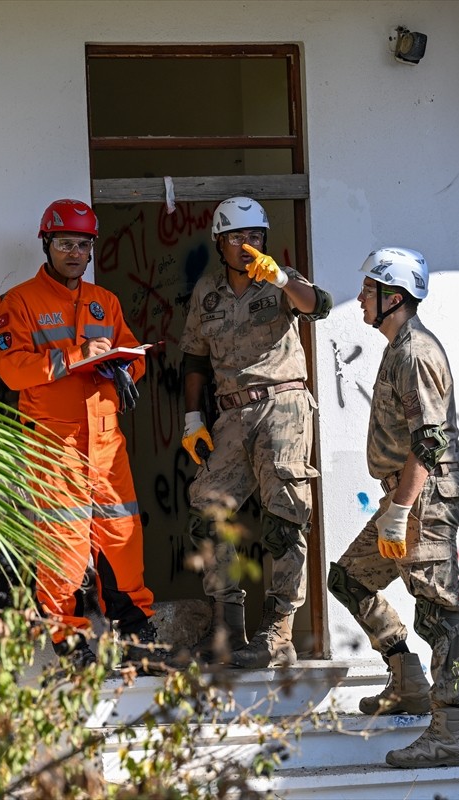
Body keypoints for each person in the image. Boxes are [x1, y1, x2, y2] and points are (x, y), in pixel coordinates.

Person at [0, 198, 164, 672]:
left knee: (123, 536)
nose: (75, 252)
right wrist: (75, 356)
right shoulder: (20, 301)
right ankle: (71, 644)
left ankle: (135, 634)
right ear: (47, 244)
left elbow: (134, 353)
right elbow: (12, 369)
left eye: (83, 244)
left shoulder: (103, 301)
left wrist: (127, 364)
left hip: (106, 442)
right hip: (55, 444)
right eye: (66, 243)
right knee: (63, 543)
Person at [326, 247, 459, 768]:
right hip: (403, 495)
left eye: (369, 290)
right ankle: (406, 677)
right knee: (349, 579)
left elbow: (429, 442)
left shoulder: (415, 351)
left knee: (438, 613)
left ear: (394, 298)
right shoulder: (397, 346)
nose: (361, 298)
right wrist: (395, 505)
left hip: (423, 497)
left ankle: (448, 733)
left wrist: (401, 509)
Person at [178, 197, 331, 668]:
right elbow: (194, 360)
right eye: (238, 238)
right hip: (231, 414)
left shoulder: (283, 279)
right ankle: (228, 627)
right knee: (207, 507)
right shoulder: (207, 292)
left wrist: (282, 279)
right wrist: (193, 418)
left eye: (256, 236)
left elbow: (318, 305)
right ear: (220, 243)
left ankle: (279, 631)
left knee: (285, 516)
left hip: (282, 404)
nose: (248, 246)